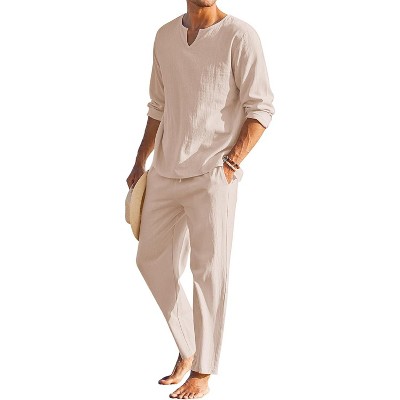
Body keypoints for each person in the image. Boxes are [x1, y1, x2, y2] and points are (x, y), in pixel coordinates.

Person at [126, 1, 275, 398]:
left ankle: (203, 371)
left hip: (212, 175)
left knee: (208, 273)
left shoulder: (240, 36)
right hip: (165, 170)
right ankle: (189, 345)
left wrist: (231, 162)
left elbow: (261, 107)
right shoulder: (164, 36)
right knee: (150, 260)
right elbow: (158, 106)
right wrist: (140, 161)